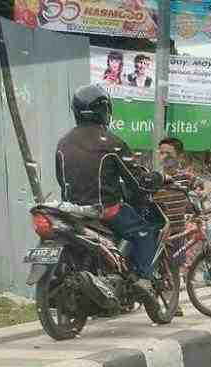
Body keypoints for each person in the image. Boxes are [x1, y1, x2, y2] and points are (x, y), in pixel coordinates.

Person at [55, 83, 166, 303]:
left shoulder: (63, 143)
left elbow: (61, 179)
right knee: (144, 232)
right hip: (105, 211)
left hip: (72, 212)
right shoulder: (112, 143)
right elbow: (138, 182)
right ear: (104, 110)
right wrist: (159, 178)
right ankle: (143, 279)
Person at [153, 137, 201, 316]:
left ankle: (174, 303)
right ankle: (163, 302)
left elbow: (203, 188)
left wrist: (197, 198)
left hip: (178, 229)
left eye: (168, 153)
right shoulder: (155, 177)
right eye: (161, 152)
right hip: (159, 231)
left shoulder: (186, 177)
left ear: (179, 156)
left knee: (174, 267)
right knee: (159, 269)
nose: (164, 156)